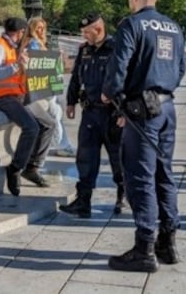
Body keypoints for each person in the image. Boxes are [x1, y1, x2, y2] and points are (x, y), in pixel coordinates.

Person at [101, 0, 186, 272]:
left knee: (140, 177)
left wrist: (113, 96)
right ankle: (168, 241)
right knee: (164, 173)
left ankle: (144, 248)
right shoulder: (174, 27)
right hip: (167, 107)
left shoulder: (132, 24)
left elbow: (118, 66)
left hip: (142, 112)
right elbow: (180, 70)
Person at [59, 12, 125, 218]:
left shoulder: (117, 48)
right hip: (90, 113)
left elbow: (126, 80)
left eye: (87, 32)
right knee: (85, 158)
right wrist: (70, 102)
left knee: (119, 158)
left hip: (112, 114)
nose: (84, 36)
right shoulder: (85, 50)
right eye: (82, 33)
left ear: (99, 29)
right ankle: (83, 201)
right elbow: (76, 77)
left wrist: (124, 111)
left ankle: (123, 196)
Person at [0, 17, 44, 197]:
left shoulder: (10, 47)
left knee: (46, 123)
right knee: (31, 127)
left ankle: (32, 166)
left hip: (14, 96)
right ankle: (15, 168)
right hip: (1, 97)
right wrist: (17, 65)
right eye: (24, 32)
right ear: (20, 32)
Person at [17, 17, 57, 187]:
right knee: (49, 124)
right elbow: (33, 68)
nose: (41, 30)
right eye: (38, 28)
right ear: (31, 28)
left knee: (51, 122)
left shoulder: (34, 42)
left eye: (43, 27)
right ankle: (32, 167)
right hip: (29, 94)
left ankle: (32, 164)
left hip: (36, 93)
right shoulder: (33, 44)